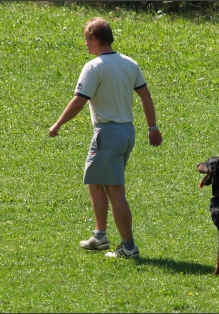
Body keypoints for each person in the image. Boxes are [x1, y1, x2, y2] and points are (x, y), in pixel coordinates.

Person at [49, 17, 162, 258]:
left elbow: (80, 100)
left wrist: (58, 124)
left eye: (86, 40)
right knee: (94, 179)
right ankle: (99, 236)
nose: (86, 45)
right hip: (126, 132)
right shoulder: (130, 64)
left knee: (115, 190)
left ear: (95, 38)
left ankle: (129, 247)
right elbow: (146, 97)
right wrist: (152, 127)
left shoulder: (94, 66)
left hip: (108, 134)